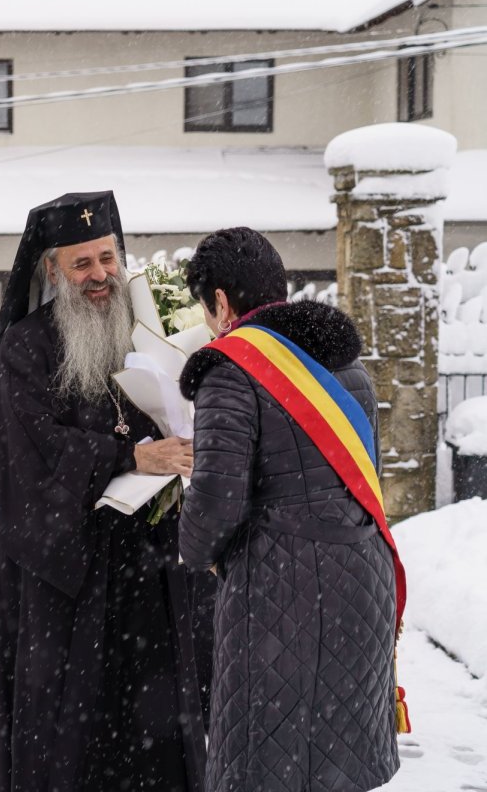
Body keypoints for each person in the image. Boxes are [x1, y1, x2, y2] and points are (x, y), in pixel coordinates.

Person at [0, 192, 208, 791]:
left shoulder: (146, 330)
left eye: (107, 258)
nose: (99, 276)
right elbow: (34, 451)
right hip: (66, 573)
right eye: (81, 263)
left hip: (146, 559)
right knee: (69, 729)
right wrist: (127, 455)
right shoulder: (25, 348)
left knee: (155, 718)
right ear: (52, 271)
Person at [177, 227, 404, 792]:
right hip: (362, 580)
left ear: (222, 302)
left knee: (265, 760)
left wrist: (196, 550)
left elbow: (215, 500)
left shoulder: (230, 370)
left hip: (280, 587)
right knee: (338, 759)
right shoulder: (347, 366)